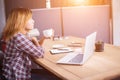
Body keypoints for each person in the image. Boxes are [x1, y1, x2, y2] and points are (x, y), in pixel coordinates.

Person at [0, 8, 45, 80]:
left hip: (10, 74)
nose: (33, 21)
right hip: (17, 76)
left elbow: (31, 49)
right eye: (30, 19)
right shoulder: (19, 37)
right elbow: (40, 54)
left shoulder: (15, 34)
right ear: (21, 21)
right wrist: (36, 41)